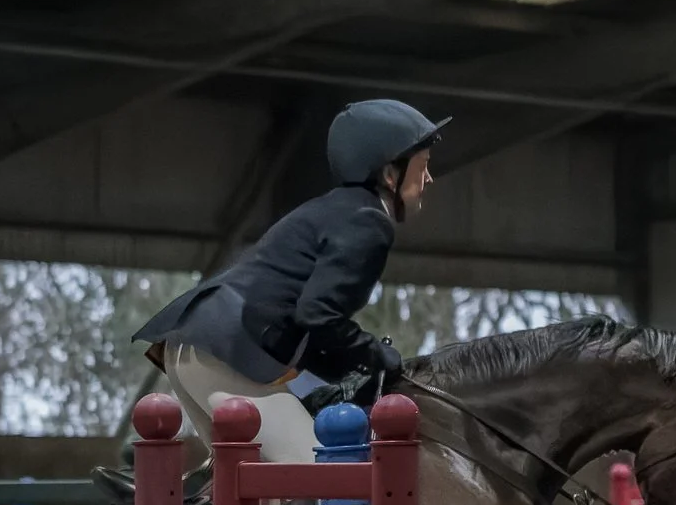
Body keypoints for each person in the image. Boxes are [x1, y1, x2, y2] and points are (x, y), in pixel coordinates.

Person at [134, 97, 446, 463]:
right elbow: (318, 313)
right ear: (390, 174)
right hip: (228, 352)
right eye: (422, 166)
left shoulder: (335, 210)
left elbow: (305, 322)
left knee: (240, 487)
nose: (428, 178)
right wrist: (378, 354)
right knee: (319, 477)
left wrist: (346, 365)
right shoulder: (368, 223)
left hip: (192, 347)